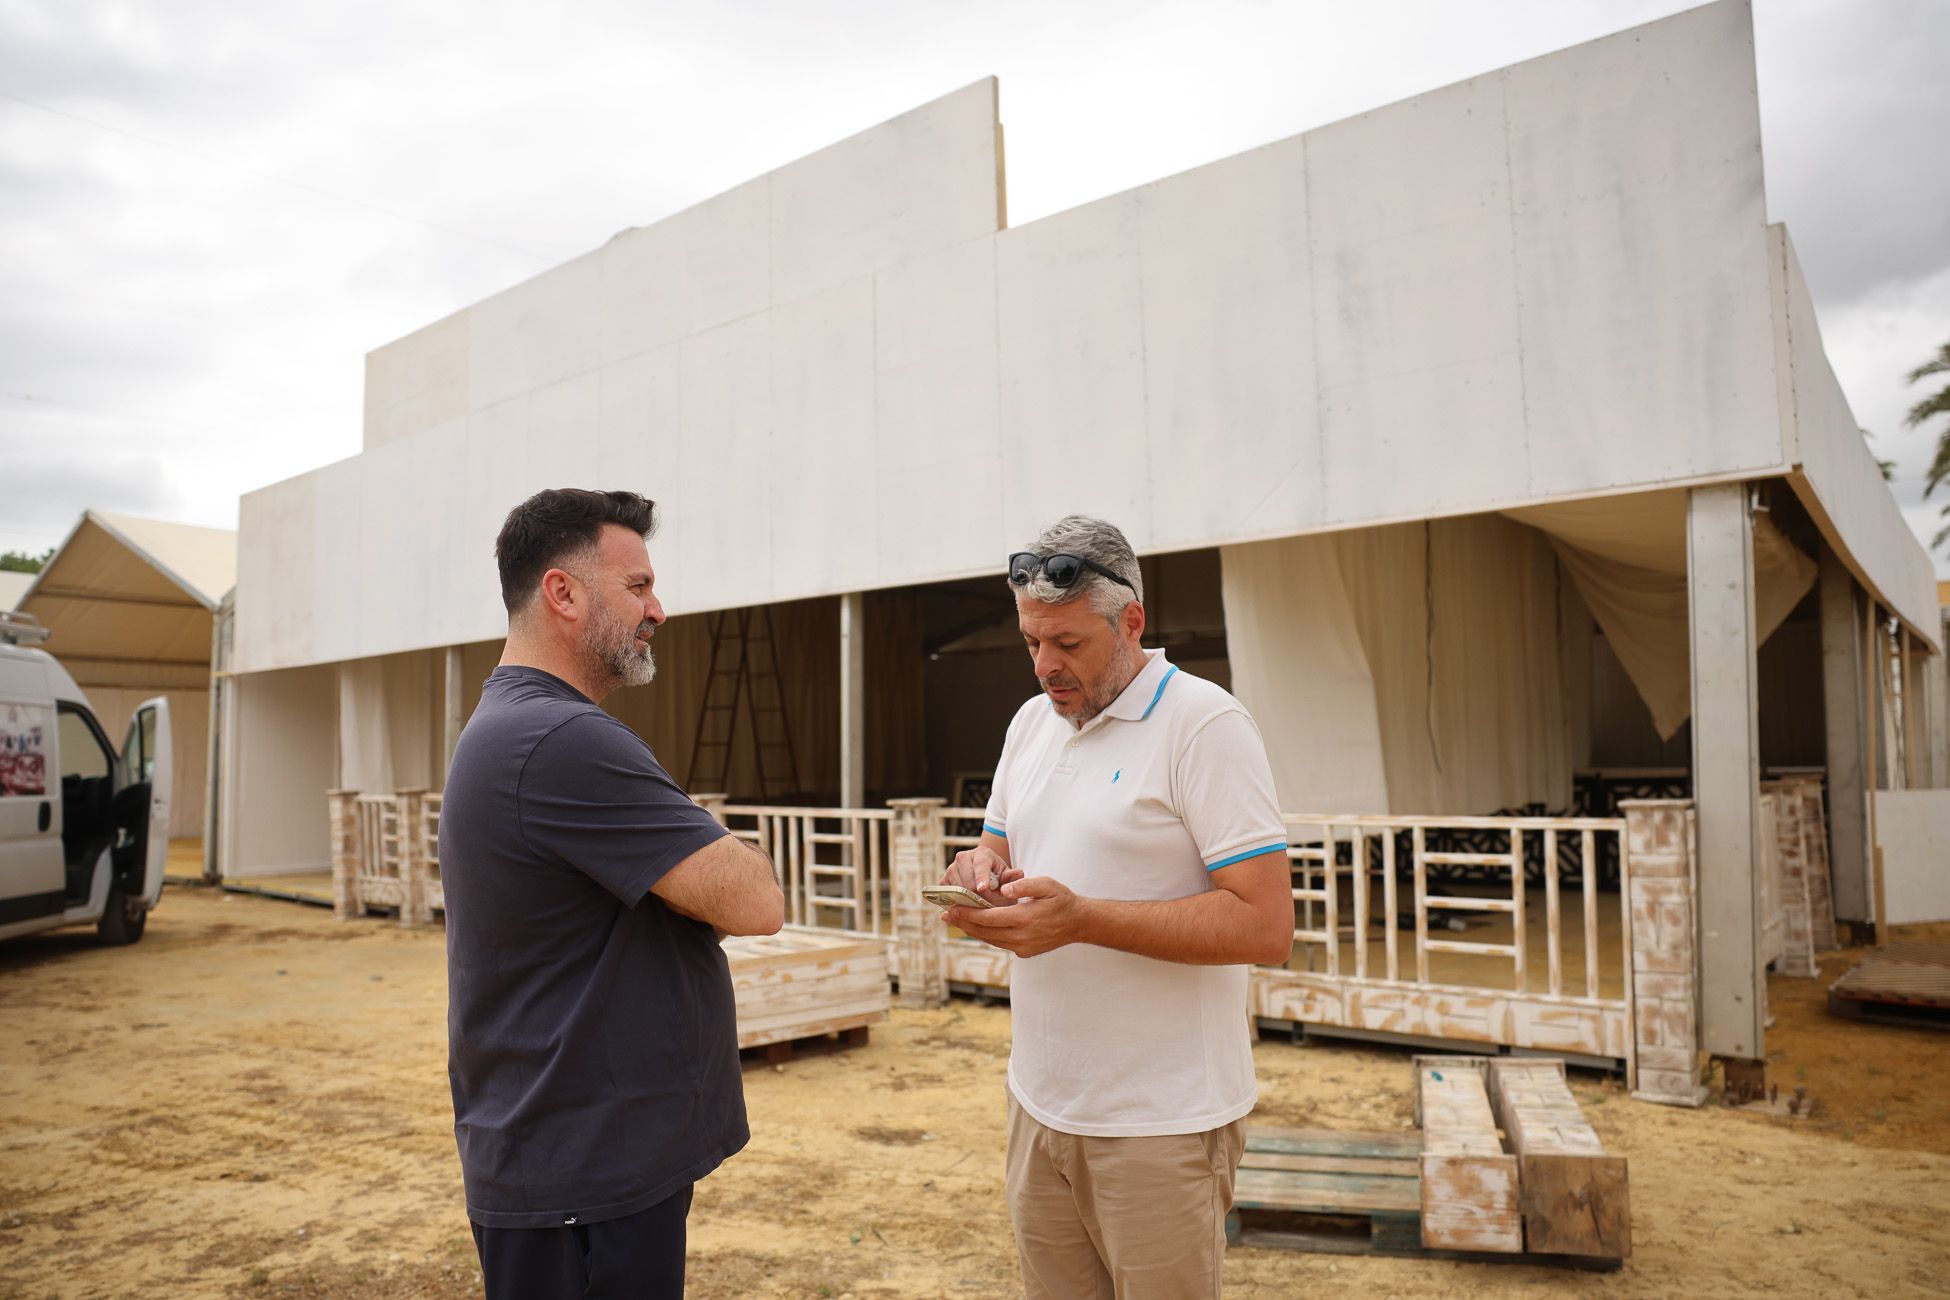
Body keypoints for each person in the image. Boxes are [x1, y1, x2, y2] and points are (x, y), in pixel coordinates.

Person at [938, 514, 1295, 1300]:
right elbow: (996, 847)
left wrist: (1082, 920)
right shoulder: (1031, 723)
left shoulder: (1205, 725)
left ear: (1132, 621)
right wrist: (978, 873)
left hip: (1160, 1122)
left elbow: (1266, 926)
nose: (1045, 666)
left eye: (1069, 644)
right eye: (1033, 642)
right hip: (1041, 1099)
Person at [441, 488, 784, 1300]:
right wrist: (731, 853)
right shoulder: (562, 739)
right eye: (638, 587)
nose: (658, 610)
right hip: (581, 1179)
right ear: (563, 592)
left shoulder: (515, 725)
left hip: (565, 1160)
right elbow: (755, 903)